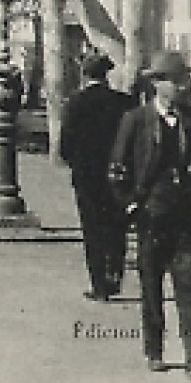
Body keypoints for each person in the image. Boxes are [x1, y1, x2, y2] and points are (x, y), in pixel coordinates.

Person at [108, 50, 191, 380]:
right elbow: (117, 170)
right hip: (151, 217)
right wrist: (131, 205)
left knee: (190, 286)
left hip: (186, 215)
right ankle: (154, 350)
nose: (184, 86)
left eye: (184, 80)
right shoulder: (136, 120)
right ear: (158, 84)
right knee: (151, 288)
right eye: (176, 81)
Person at [59, 51, 138, 301]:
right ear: (107, 75)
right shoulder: (125, 103)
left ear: (84, 75)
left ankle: (99, 286)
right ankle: (115, 274)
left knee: (92, 229)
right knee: (117, 226)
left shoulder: (75, 103)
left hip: (87, 177)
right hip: (119, 175)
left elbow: (65, 147)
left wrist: (77, 164)